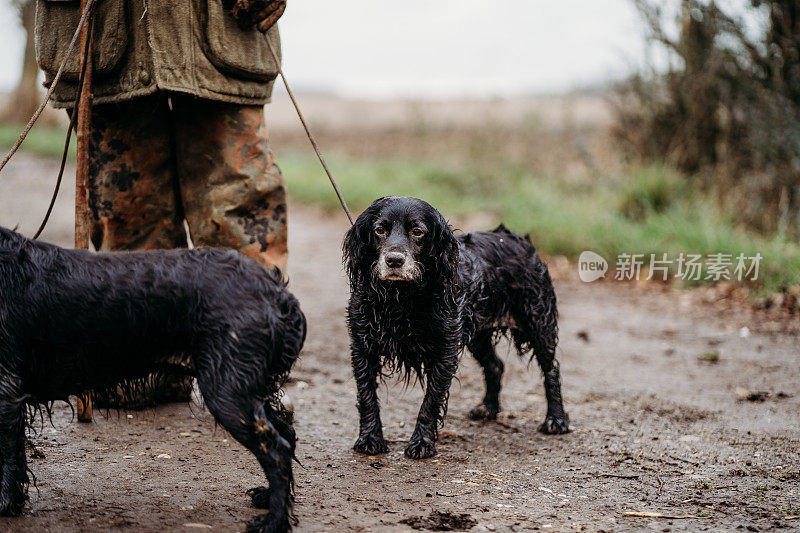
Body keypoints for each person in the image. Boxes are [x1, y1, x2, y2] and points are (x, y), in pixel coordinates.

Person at [35, 0, 290, 405]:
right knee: (126, 209)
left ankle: (250, 362)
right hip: (104, 39)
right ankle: (143, 365)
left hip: (220, 32)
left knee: (238, 203)